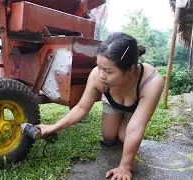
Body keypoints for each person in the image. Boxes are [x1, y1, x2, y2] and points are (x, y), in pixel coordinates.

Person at [36, 32, 164, 180]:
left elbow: (137, 127)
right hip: (113, 102)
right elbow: (81, 108)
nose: (101, 75)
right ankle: (120, 117)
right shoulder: (97, 75)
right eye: (99, 67)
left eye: (108, 71)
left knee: (125, 136)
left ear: (130, 70)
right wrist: (54, 127)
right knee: (108, 137)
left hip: (135, 106)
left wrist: (125, 166)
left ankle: (128, 117)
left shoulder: (151, 82)